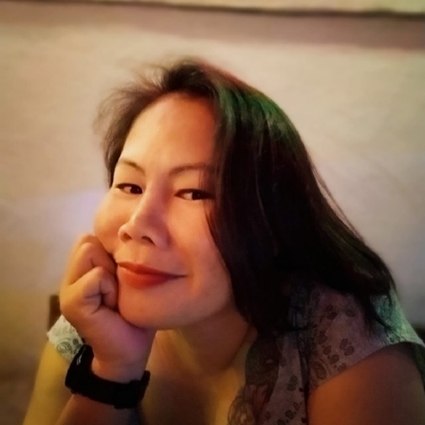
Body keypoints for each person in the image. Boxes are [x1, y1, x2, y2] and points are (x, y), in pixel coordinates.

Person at [23, 58, 425, 425]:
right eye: (129, 185)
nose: (137, 224)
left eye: (194, 192)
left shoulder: (345, 334)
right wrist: (111, 372)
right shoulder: (95, 317)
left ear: (272, 224)